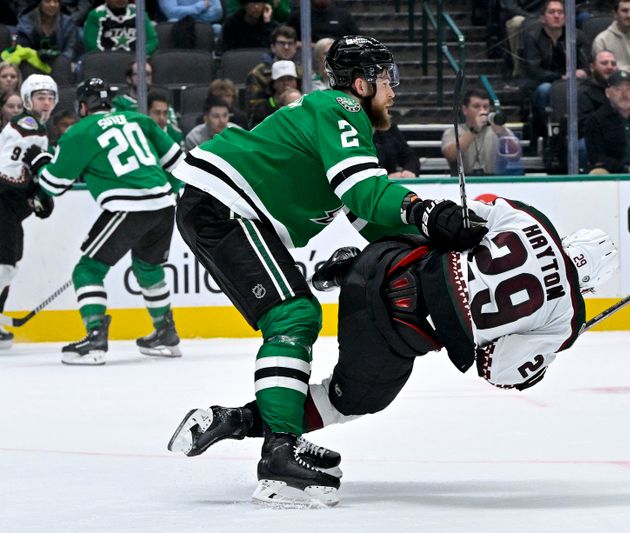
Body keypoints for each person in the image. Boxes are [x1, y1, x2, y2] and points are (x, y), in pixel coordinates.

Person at [167, 35, 487, 505]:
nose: (392, 90)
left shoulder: (340, 122)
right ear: (360, 84)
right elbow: (364, 193)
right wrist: (428, 212)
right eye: (386, 80)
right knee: (294, 315)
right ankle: (279, 454)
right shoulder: (341, 107)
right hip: (224, 206)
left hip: (223, 207)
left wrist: (436, 242)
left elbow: (368, 217)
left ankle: (246, 425)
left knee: (295, 315)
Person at [167, 195, 620, 500]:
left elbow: (461, 215)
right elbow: (497, 369)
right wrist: (538, 363)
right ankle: (237, 421)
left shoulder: (531, 219)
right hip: (393, 329)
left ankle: (349, 267)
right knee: (351, 401)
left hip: (384, 262)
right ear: (593, 284)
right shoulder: (564, 321)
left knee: (440, 237)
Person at [22, 77, 185, 366]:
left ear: (83, 106)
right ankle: (166, 333)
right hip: (163, 205)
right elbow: (176, 161)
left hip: (128, 206)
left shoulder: (79, 131)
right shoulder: (139, 119)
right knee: (148, 267)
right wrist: (165, 192)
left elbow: (54, 183)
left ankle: (95, 338)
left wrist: (38, 162)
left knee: (88, 270)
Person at [0, 75, 58, 350]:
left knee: (9, 267)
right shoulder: (28, 127)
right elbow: (7, 174)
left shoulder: (39, 127)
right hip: (3, 206)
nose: (46, 103)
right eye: (40, 97)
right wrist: (33, 190)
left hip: (10, 211)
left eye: (50, 97)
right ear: (27, 100)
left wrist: (34, 193)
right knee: (4, 267)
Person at [521, 0, 589, 136]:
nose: (556, 16)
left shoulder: (577, 36)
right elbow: (533, 70)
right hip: (543, 81)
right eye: (552, 12)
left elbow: (589, 64)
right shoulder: (532, 37)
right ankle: (545, 134)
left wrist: (585, 72)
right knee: (544, 90)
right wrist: (560, 77)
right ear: (542, 18)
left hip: (574, 81)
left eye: (560, 12)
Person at [442, 89, 516, 176]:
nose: (482, 111)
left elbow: (515, 156)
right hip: (462, 182)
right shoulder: (452, 131)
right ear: (465, 110)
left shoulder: (498, 129)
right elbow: (451, 155)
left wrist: (502, 134)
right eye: (476, 107)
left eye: (486, 107)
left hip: (494, 182)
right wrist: (473, 130)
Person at [244, 26, 302, 126]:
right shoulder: (257, 74)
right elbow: (252, 110)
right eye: (282, 43)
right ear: (273, 47)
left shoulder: (302, 72)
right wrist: (277, 102)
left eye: (290, 43)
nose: (286, 47)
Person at [113, 60, 183, 142]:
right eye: (139, 74)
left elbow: (175, 133)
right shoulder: (119, 103)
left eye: (148, 74)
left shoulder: (161, 104)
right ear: (129, 79)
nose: (144, 78)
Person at [15, 0, 80, 64]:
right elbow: (24, 50)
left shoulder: (67, 23)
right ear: (39, 4)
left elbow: (70, 49)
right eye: (47, 1)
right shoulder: (26, 22)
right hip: (33, 63)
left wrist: (61, 62)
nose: (52, 5)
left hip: (60, 64)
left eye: (55, 1)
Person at [84, 0, 159, 55]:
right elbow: (91, 45)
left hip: (136, 62)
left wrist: (139, 55)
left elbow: (152, 40)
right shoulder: (96, 15)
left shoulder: (138, 12)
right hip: (105, 62)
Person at [245, 60, 299, 126]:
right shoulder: (261, 109)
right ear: (274, 83)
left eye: (290, 79)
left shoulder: (304, 103)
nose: (286, 83)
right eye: (281, 79)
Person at [501, 0, 546, 77]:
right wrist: (531, 17)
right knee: (517, 22)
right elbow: (510, 7)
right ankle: (518, 69)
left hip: (544, 14)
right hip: (519, 16)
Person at [287, 0, 359, 42]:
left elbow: (356, 40)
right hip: (307, 55)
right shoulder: (299, 15)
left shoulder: (344, 16)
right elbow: (287, 38)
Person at [158, 0, 223, 25]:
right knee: (173, 21)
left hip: (203, 27)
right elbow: (171, 13)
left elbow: (217, 12)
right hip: (179, 27)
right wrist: (200, 7)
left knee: (217, 28)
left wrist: (186, 17)